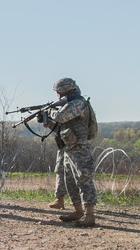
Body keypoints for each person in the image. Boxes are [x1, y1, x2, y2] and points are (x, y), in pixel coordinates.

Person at [41, 77, 98, 227]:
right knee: (70, 181)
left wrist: (50, 111)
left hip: (80, 148)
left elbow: (61, 116)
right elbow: (59, 126)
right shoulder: (68, 104)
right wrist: (46, 120)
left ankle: (89, 213)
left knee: (84, 179)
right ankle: (78, 211)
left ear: (68, 90)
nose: (58, 96)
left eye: (60, 92)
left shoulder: (78, 103)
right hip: (69, 147)